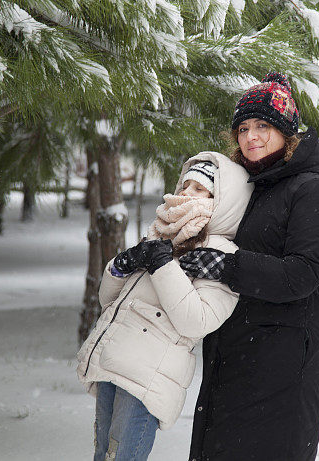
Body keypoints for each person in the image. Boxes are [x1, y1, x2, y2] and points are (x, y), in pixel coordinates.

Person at [179, 72, 319, 461]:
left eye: (263, 126)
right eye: (243, 128)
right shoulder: (250, 188)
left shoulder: (310, 190)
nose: (250, 136)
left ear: (287, 132)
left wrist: (227, 266)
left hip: (283, 361)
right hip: (235, 353)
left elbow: (303, 273)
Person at [76, 152, 253, 461]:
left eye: (200, 189)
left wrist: (162, 266)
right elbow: (111, 302)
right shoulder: (162, 234)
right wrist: (120, 265)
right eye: (185, 186)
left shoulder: (221, 253)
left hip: (147, 376)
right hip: (113, 358)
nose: (187, 194)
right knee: (102, 454)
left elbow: (196, 321)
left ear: (223, 201)